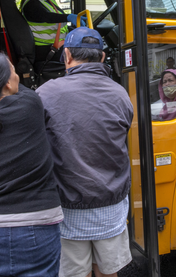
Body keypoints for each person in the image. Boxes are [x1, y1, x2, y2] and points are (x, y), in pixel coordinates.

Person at [35, 27, 135, 277]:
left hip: (67, 206)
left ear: (67, 56)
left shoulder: (46, 93)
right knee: (107, 271)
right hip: (111, 204)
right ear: (102, 58)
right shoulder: (120, 93)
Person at [0, 51, 63, 277]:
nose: (17, 76)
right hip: (37, 224)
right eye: (13, 71)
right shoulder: (29, 105)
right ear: (7, 82)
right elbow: (26, 89)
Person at [19, 0, 84, 65]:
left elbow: (56, 20)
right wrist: (68, 17)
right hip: (46, 51)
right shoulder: (30, 5)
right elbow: (47, 16)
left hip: (57, 46)